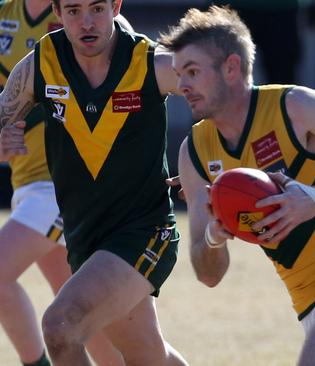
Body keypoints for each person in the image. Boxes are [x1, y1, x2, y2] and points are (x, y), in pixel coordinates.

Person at [160, 6, 315, 366]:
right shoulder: (194, 151)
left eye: (193, 72)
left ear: (231, 68)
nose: (182, 85)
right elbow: (207, 274)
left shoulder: (293, 105)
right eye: (180, 73)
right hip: (309, 301)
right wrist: (215, 236)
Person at [0, 0, 188, 364]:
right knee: (145, 354)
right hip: (83, 227)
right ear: (58, 13)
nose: (87, 21)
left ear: (115, 6)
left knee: (61, 326)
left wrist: (206, 166)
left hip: (141, 229)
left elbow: (220, 100)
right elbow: (4, 112)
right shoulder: (42, 61)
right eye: (73, 10)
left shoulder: (146, 60)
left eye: (97, 8)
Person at [0, 0, 129, 365]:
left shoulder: (89, 16)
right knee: (83, 319)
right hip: (27, 186)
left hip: (65, 188)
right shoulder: (5, 16)